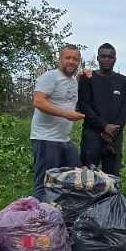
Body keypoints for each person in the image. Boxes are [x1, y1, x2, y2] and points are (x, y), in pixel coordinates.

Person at [30, 44, 85, 202]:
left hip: (64, 140)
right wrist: (66, 114)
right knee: (44, 184)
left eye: (75, 59)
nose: (71, 61)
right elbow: (38, 102)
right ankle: (40, 221)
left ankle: (64, 213)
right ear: (60, 59)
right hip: (45, 138)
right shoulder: (50, 77)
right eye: (67, 58)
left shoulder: (74, 81)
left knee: (76, 176)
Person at [77, 43, 126, 176]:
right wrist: (104, 126)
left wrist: (113, 130)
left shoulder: (123, 82)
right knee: (87, 175)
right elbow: (84, 106)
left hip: (114, 135)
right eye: (103, 56)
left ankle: (111, 197)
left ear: (115, 59)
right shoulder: (87, 79)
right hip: (92, 134)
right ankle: (88, 198)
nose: (106, 59)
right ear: (98, 58)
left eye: (110, 57)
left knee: (112, 176)